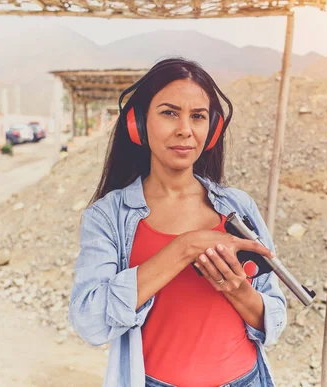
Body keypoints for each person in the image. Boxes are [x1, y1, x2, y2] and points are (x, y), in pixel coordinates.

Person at [68, 58, 287, 387]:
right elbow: (90, 322)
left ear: (210, 131)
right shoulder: (107, 217)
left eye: (197, 116)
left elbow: (275, 318)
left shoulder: (239, 206)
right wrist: (185, 247)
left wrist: (239, 290)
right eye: (169, 112)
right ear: (138, 124)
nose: (185, 128)